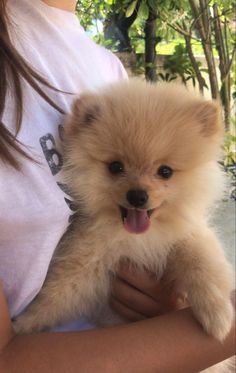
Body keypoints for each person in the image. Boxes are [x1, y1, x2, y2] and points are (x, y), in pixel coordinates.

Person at [0, 0, 235, 371]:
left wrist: (177, 307)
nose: (140, 190)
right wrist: (26, 325)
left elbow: (193, 247)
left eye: (164, 173)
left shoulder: (105, 67)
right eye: (116, 168)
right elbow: (78, 272)